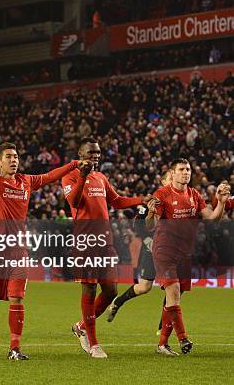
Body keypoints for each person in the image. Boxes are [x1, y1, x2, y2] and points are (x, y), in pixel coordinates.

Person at [0, 129, 88, 360]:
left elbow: (51, 175)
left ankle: (15, 348)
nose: (14, 160)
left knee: (17, 297)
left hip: (19, 249)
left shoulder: (26, 182)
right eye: (9, 157)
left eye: (16, 157)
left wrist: (74, 164)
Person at [63, 137, 152, 358]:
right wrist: (82, 176)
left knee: (111, 290)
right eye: (91, 153)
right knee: (89, 289)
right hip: (86, 242)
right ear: (81, 154)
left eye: (98, 153)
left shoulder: (101, 177)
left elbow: (117, 200)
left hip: (105, 241)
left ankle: (81, 326)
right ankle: (93, 344)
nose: (95, 156)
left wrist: (141, 199)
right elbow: (73, 201)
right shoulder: (70, 175)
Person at [150, 159, 229, 356]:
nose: (186, 173)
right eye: (181, 170)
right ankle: (183, 338)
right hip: (165, 250)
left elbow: (212, 219)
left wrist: (221, 202)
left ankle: (162, 345)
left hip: (184, 254)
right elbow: (151, 226)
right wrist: (151, 213)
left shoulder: (194, 194)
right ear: (172, 173)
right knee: (174, 290)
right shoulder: (162, 194)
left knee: (173, 298)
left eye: (188, 170)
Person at [106, 171, 171, 324]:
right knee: (144, 287)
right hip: (152, 248)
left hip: (171, 250)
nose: (174, 179)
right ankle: (118, 302)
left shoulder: (181, 199)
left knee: (174, 286)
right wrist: (149, 241)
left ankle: (164, 328)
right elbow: (139, 226)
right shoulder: (153, 201)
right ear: (163, 181)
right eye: (170, 177)